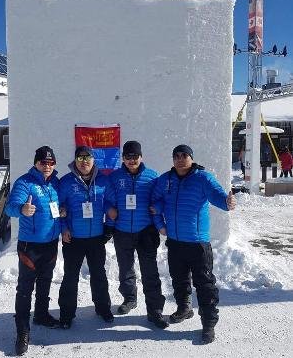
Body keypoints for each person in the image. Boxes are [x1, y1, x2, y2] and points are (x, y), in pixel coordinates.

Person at [151, 144, 236, 344]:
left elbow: (217, 196)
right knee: (179, 279)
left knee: (205, 285)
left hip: (198, 243)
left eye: (184, 155)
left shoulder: (202, 178)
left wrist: (227, 202)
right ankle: (184, 308)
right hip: (175, 242)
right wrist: (160, 225)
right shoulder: (165, 180)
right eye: (176, 156)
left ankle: (208, 324)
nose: (180, 159)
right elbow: (156, 203)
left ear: (191, 158)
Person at [5, 146, 62, 356]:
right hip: (30, 246)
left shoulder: (56, 183)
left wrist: (62, 214)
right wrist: (21, 209)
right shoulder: (24, 182)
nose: (47, 166)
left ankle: (41, 314)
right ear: (36, 163)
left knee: (45, 282)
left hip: (51, 244)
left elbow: (59, 207)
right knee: (25, 289)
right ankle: (22, 331)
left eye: (50, 163)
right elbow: (9, 207)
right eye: (43, 162)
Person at [105, 140, 167, 329]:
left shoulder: (152, 176)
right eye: (128, 157)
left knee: (150, 271)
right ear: (122, 158)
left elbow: (161, 199)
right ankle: (129, 298)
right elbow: (106, 200)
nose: (131, 160)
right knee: (125, 268)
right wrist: (109, 210)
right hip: (122, 230)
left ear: (141, 157)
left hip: (146, 231)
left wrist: (156, 207)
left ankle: (155, 310)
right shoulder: (114, 177)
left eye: (135, 156)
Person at [58, 146, 113, 329]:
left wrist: (109, 228)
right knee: (70, 277)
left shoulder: (104, 181)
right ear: (75, 161)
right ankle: (66, 314)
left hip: (96, 237)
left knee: (99, 275)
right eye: (80, 159)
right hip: (74, 238)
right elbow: (58, 208)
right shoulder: (65, 182)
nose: (84, 162)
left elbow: (110, 205)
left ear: (93, 160)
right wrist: (64, 228)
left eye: (87, 158)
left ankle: (103, 309)